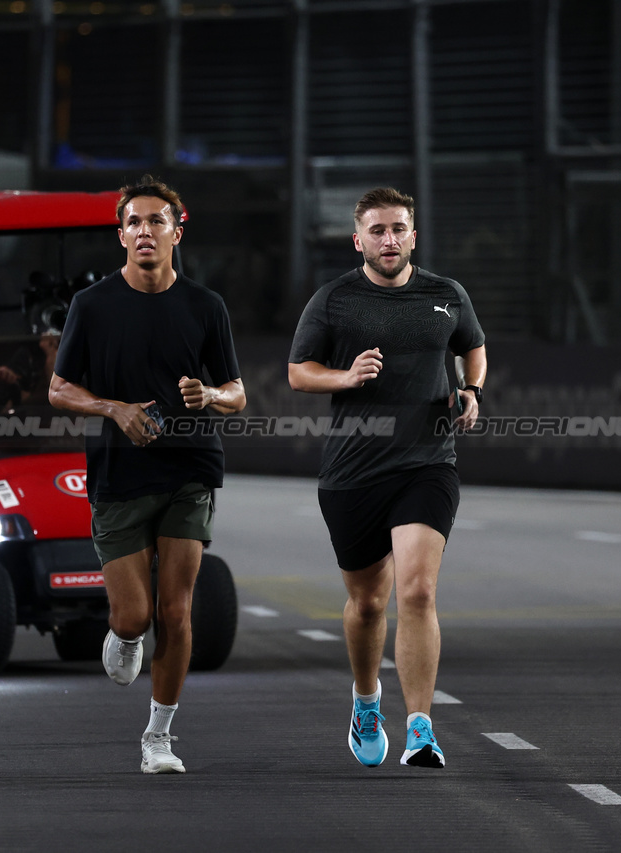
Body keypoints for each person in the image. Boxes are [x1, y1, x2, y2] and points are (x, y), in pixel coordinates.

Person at [49, 176, 246, 775]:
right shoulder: (93, 306)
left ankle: (158, 736)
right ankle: (126, 634)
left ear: (176, 232)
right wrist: (114, 409)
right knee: (134, 615)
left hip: (190, 468)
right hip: (117, 473)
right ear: (120, 235)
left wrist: (209, 394)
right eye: (133, 222)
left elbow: (237, 395)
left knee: (177, 612)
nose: (144, 231)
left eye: (156, 221)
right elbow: (58, 389)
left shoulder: (205, 307)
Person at [287, 187, 486, 769]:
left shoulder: (446, 295)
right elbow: (299, 374)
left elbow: (474, 347)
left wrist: (471, 391)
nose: (389, 239)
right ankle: (366, 699)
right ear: (359, 241)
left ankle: (421, 730)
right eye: (377, 231)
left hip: (428, 463)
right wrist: (345, 379)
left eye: (399, 228)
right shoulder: (333, 300)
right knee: (369, 603)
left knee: (417, 590)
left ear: (413, 236)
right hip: (353, 472)